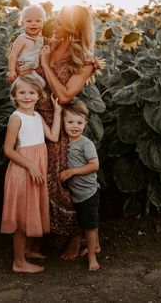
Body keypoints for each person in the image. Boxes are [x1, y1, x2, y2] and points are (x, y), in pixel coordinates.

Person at [36, 4, 103, 260]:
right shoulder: (49, 43)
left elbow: (64, 96)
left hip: (60, 125)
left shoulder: (85, 59)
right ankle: (43, 234)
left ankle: (75, 238)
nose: (58, 25)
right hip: (36, 122)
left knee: (62, 184)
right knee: (41, 179)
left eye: (64, 22)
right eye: (58, 20)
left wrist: (44, 62)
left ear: (76, 28)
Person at [1, 74, 61, 273]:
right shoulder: (16, 118)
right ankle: (18, 262)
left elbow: (52, 136)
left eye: (31, 92)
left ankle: (26, 250)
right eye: (22, 92)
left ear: (39, 95)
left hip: (36, 170)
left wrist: (58, 112)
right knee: (21, 216)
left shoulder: (37, 116)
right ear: (14, 96)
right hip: (22, 171)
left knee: (30, 211)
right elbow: (8, 150)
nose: (27, 96)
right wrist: (31, 166)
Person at [60, 100, 100, 270]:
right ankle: (96, 246)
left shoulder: (86, 144)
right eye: (70, 122)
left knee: (89, 226)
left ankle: (92, 257)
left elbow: (94, 165)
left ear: (85, 124)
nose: (74, 126)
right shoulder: (63, 142)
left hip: (89, 193)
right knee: (87, 222)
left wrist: (72, 172)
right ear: (63, 122)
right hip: (76, 194)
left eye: (79, 122)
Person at [6, 4, 46, 87]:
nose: (33, 24)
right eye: (29, 21)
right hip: (22, 70)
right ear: (22, 23)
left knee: (42, 84)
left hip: (33, 71)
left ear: (43, 23)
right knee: (22, 87)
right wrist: (12, 70)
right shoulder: (22, 39)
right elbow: (13, 55)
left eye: (38, 21)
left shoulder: (41, 39)